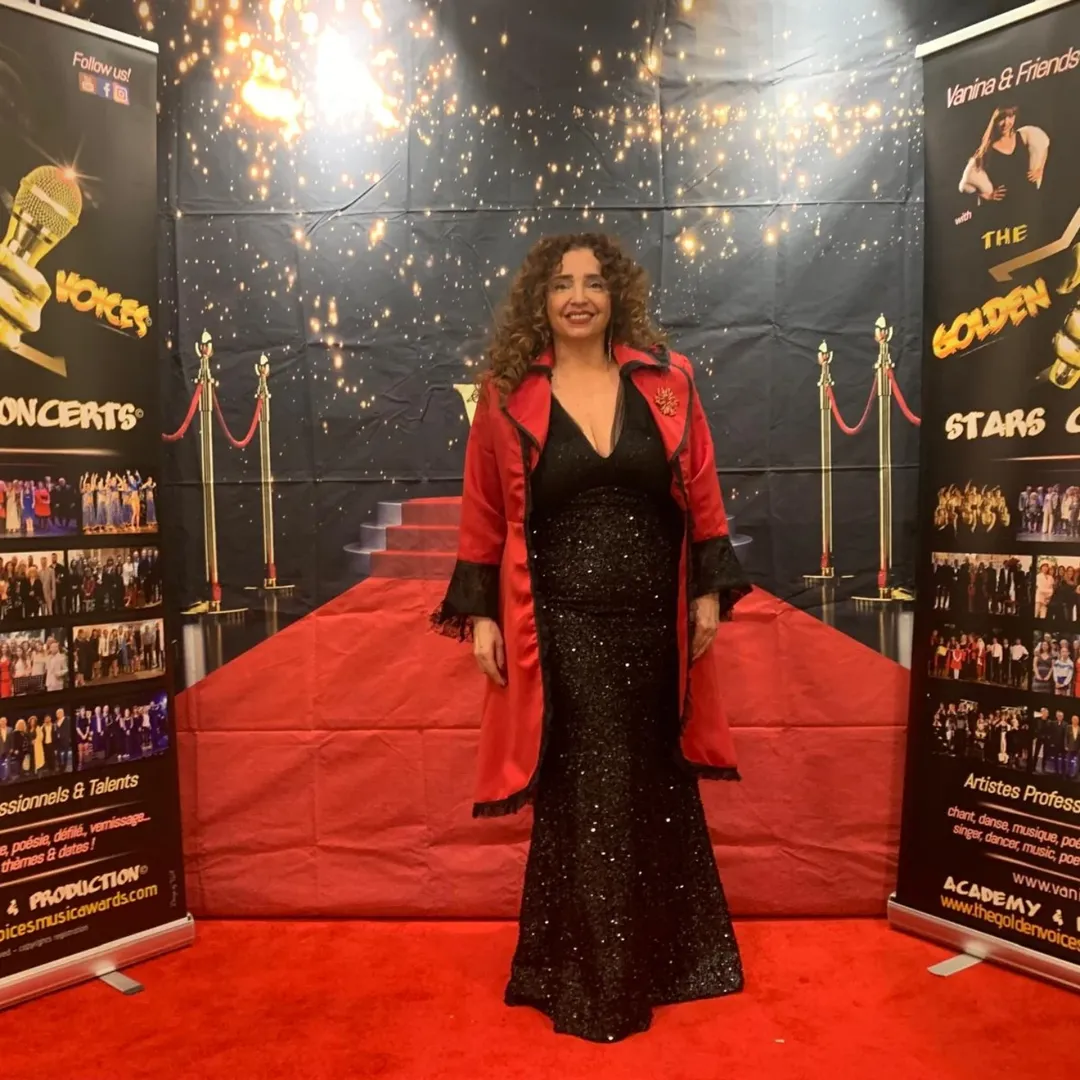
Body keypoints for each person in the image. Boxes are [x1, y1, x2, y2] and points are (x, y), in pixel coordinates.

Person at [432, 233, 751, 1042]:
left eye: (595, 283)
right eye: (562, 284)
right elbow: (483, 508)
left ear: (617, 297)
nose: (579, 297)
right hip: (562, 623)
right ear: (539, 301)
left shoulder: (668, 383)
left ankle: (668, 958)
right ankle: (599, 981)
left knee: (650, 778)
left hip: (655, 621)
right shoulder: (506, 394)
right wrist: (481, 614)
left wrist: (707, 594)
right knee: (593, 783)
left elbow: (702, 489)